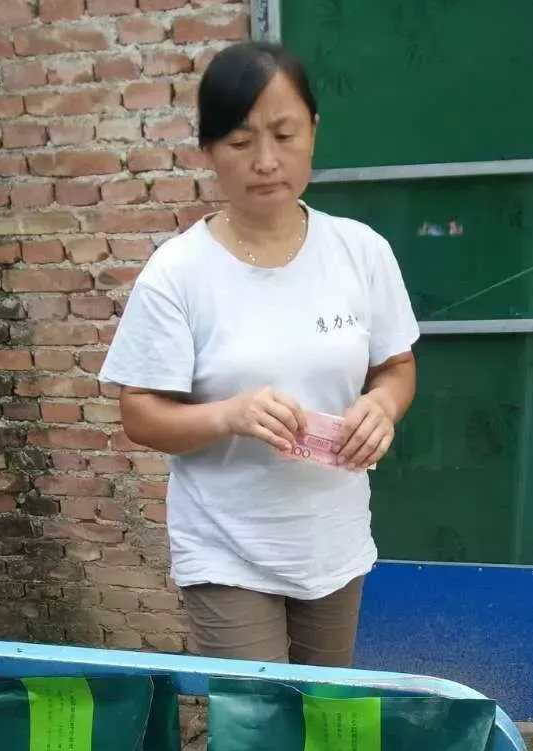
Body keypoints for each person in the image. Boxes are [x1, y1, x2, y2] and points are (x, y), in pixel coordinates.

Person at [98, 41, 419, 666]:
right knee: (258, 715)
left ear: (314, 132)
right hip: (227, 547)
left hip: (332, 540)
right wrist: (230, 414)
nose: (267, 161)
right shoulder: (179, 272)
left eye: (285, 134)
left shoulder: (361, 252)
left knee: (326, 707)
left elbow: (396, 367)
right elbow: (139, 414)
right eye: (241, 142)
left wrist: (382, 406)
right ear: (209, 149)